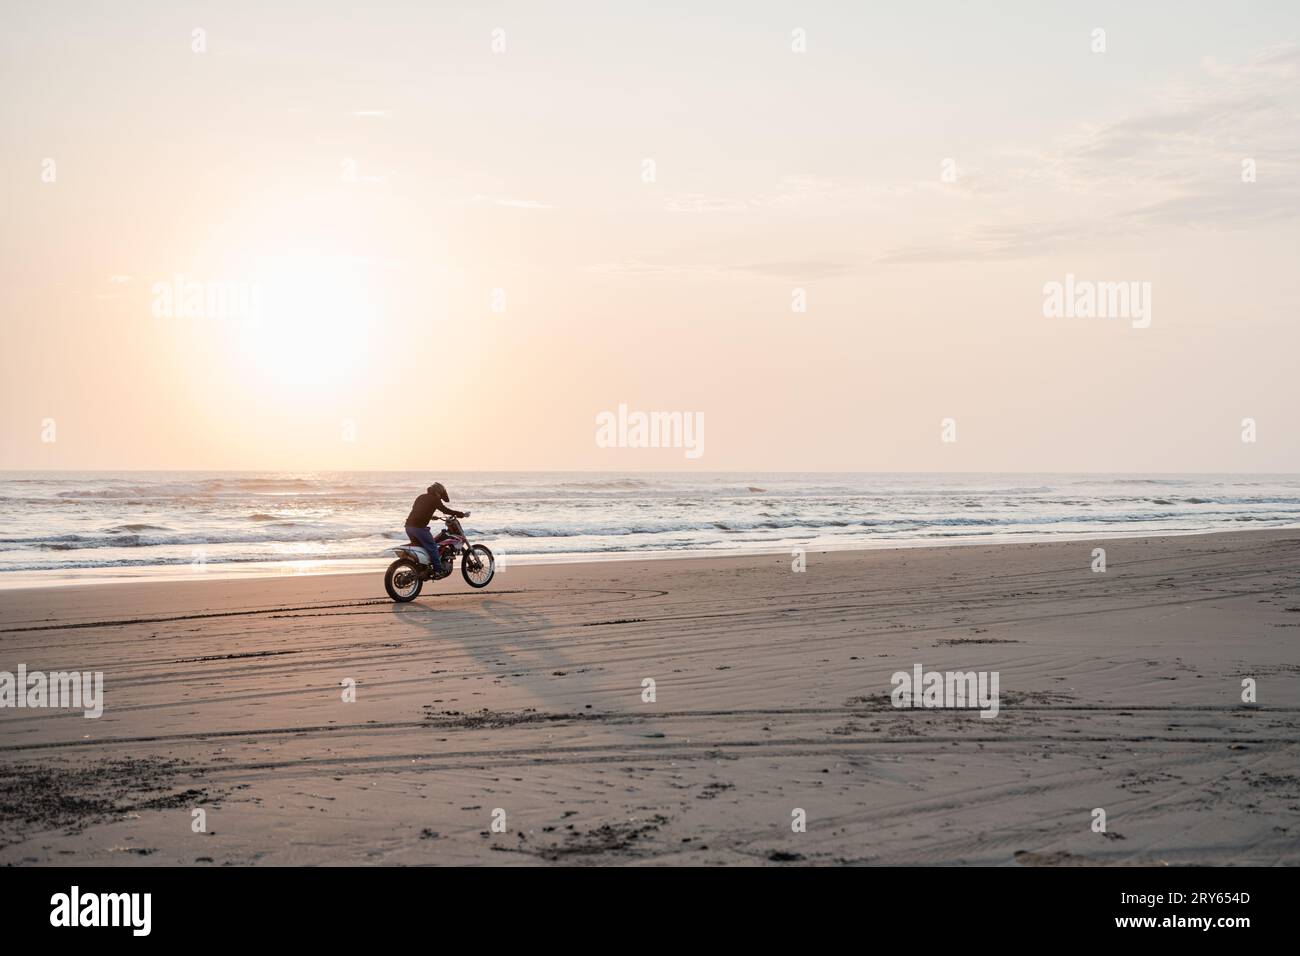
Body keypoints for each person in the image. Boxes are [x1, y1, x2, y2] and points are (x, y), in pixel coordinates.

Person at [404, 482, 466, 574]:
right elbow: (445, 510)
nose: (440, 497)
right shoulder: (435, 499)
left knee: (423, 548)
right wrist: (460, 514)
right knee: (433, 547)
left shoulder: (421, 496)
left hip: (409, 527)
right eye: (440, 494)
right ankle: (438, 570)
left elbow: (418, 510)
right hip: (419, 528)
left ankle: (422, 568)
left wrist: (430, 516)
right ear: (438, 492)